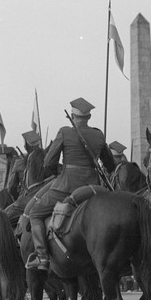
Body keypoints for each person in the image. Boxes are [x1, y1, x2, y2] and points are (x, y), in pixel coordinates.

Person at [24, 97, 115, 271]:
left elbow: (48, 161)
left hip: (66, 187)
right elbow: (110, 165)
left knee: (35, 214)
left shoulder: (65, 132)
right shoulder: (98, 134)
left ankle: (42, 257)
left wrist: (59, 171)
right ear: (88, 117)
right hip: (93, 188)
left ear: (73, 116)